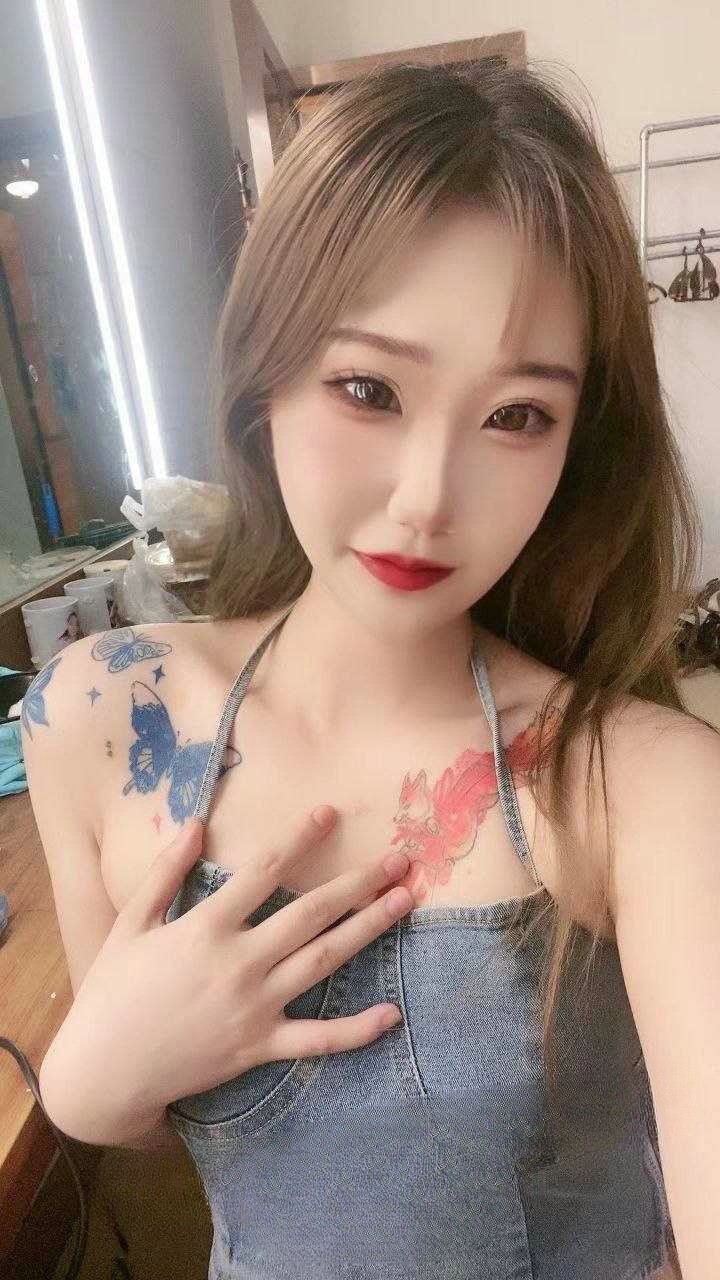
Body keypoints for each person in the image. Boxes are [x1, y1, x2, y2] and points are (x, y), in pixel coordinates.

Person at [22, 61, 719, 1280]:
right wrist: (84, 1079)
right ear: (266, 375)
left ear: (576, 441)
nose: (426, 498)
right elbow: (142, 1115)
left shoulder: (642, 782)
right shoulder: (97, 712)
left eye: (517, 415)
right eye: (369, 389)